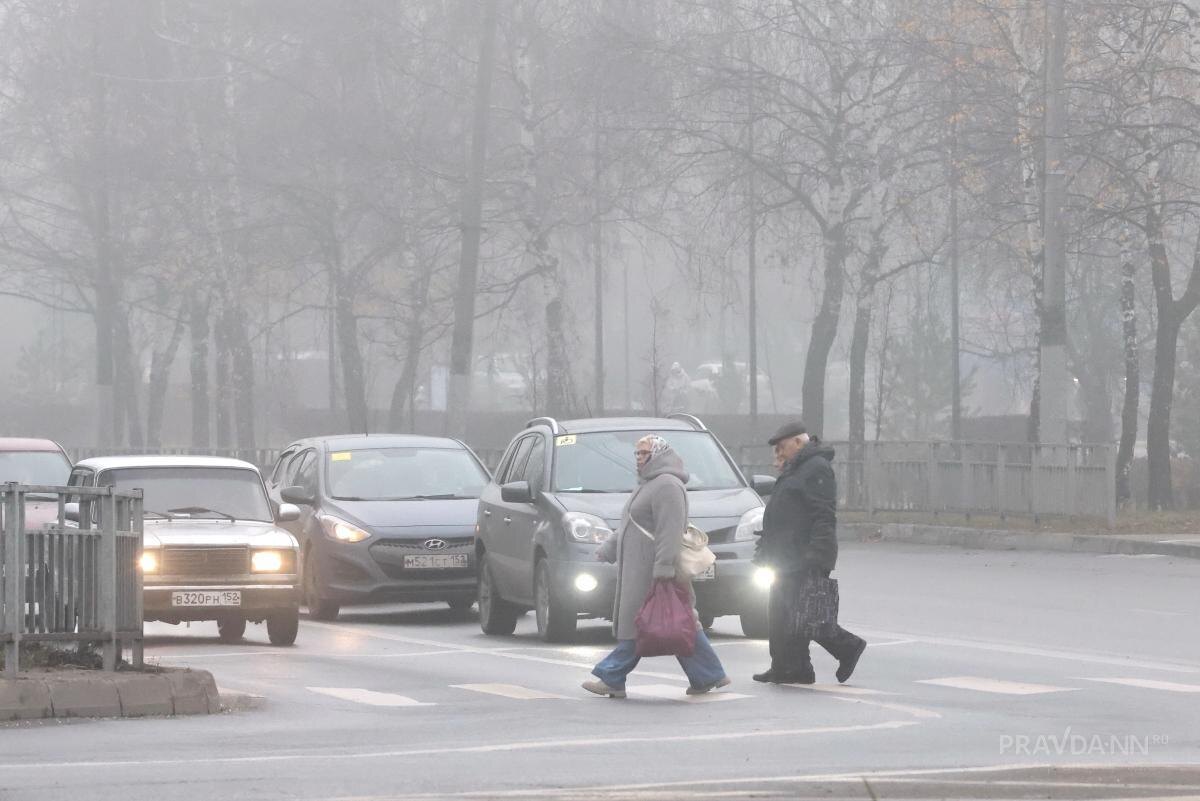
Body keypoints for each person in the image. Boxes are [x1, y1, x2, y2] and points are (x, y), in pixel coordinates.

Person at [583, 434, 730, 698]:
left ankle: (612, 675)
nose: (638, 459)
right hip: (640, 570)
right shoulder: (648, 484)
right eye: (637, 454)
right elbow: (630, 522)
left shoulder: (668, 486)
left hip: (655, 570)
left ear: (659, 455)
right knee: (675, 622)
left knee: (645, 624)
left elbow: (670, 531)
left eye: (644, 454)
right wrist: (607, 549)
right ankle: (709, 674)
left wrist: (663, 568)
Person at [752, 422, 866, 684]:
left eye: (781, 448)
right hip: (784, 556)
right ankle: (788, 667)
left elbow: (823, 515)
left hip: (803, 556)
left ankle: (847, 647)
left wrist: (816, 555)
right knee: (781, 615)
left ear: (797, 443)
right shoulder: (797, 468)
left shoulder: (817, 468)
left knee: (806, 615)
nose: (778, 454)